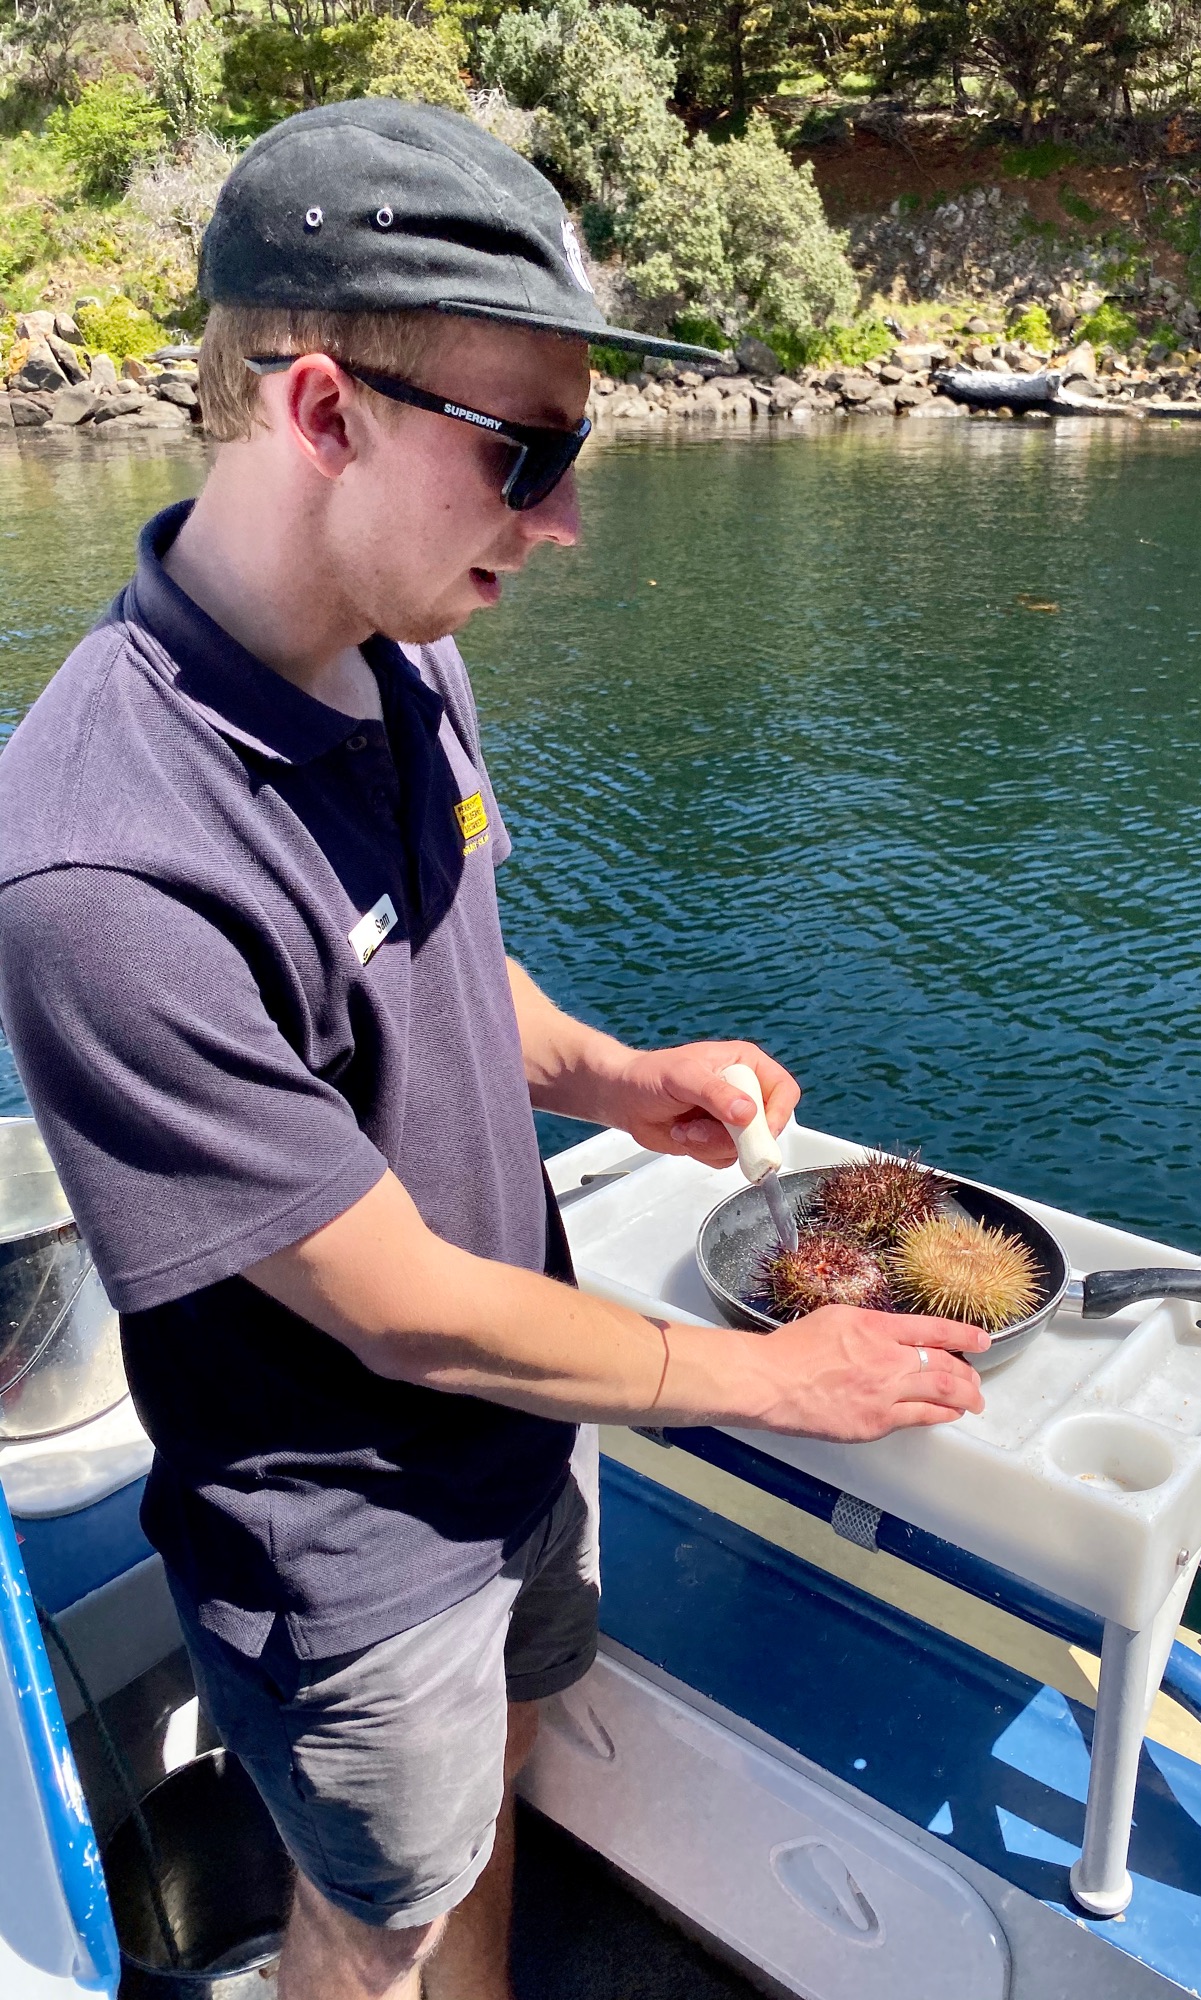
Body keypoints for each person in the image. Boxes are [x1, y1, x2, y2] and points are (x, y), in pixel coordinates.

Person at [0, 100, 985, 2000]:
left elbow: (449, 958)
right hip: (349, 1552)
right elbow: (396, 1310)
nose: (563, 518)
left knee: (508, 1787)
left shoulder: (408, 636)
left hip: (535, 1436)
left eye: (575, 447)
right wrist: (762, 1383)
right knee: (371, 1918)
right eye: (523, 453)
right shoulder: (102, 868)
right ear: (318, 411)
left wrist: (618, 1080)